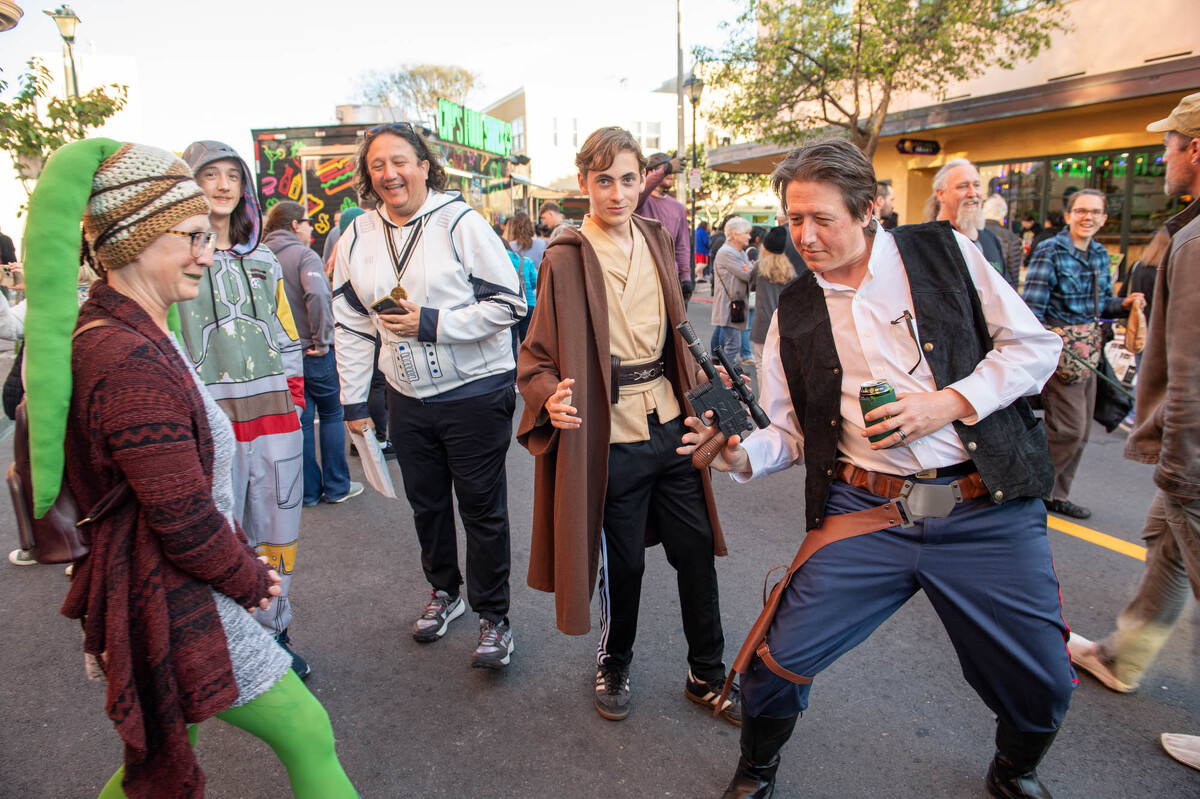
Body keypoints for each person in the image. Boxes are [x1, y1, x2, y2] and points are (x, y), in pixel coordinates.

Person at [682, 139, 1074, 799]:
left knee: (1044, 675)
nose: (804, 235)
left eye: (822, 218)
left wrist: (946, 404)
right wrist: (740, 454)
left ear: (870, 210)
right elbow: (791, 432)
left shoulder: (946, 253)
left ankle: (1013, 767)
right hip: (865, 512)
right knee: (776, 657)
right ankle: (757, 768)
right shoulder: (797, 313)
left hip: (985, 508)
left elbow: (1036, 347)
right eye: (794, 218)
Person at [20, 138, 356, 799]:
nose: (208, 251)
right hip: (172, 593)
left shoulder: (135, 325)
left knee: (162, 758)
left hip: (161, 587)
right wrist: (251, 577)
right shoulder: (127, 357)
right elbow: (180, 515)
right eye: (194, 235)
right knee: (308, 730)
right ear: (138, 238)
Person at [516, 126, 738, 725]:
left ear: (645, 181)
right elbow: (534, 357)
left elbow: (676, 333)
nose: (617, 193)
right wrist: (549, 399)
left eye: (628, 179)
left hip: (673, 422)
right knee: (625, 564)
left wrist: (705, 390)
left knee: (694, 550)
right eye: (604, 180)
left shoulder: (656, 235)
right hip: (609, 437)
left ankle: (707, 673)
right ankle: (614, 659)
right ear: (584, 182)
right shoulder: (564, 257)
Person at [333, 122, 524, 669]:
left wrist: (432, 323)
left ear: (423, 165)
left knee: (482, 510)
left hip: (474, 393)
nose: (389, 174)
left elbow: (510, 304)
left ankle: (495, 617)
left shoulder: (459, 221)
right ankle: (446, 592)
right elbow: (350, 324)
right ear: (368, 176)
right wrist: (353, 406)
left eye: (400, 161)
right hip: (405, 396)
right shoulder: (357, 235)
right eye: (377, 166)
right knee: (428, 505)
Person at [1065, 94, 1200, 768]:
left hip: (1198, 453)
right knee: (1167, 547)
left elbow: (1193, 368)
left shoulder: (1198, 240)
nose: (1162, 157)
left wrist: (1181, 461)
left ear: (1196, 149)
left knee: (1182, 535)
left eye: (1170, 145)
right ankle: (1121, 656)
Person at [177, 140, 312, 678]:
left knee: (278, 536)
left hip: (277, 420)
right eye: (211, 174)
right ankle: (229, 645)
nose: (225, 185)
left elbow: (285, 334)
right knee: (220, 536)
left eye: (234, 174)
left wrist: (297, 403)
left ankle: (276, 634)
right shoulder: (177, 258)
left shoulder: (263, 260)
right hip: (213, 423)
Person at [1022, 189, 1143, 520]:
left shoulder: (1101, 254)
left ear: (1104, 219)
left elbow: (1103, 303)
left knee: (1083, 431)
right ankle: (1028, 489)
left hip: (1091, 349)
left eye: (1095, 212)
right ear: (1069, 215)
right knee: (1068, 430)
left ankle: (1055, 495)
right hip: (1064, 354)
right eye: (1081, 211)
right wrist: (1051, 345)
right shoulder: (1051, 250)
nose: (1087, 217)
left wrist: (1124, 305)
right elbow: (1031, 309)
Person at [263, 201, 363, 508]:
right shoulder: (304, 255)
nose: (311, 228)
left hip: (278, 354)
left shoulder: (258, 255)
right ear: (295, 225)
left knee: (302, 420)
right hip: (312, 349)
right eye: (307, 222)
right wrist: (322, 339)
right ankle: (335, 486)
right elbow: (318, 295)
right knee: (332, 414)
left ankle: (307, 491)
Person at [928, 159, 1007, 280]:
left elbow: (1006, 291)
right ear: (940, 194)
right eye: (963, 186)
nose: (972, 193)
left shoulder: (990, 239)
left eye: (976, 185)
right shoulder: (926, 241)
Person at [637, 153, 693, 302]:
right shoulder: (640, 201)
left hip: (671, 280)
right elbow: (639, 190)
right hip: (644, 280)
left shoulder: (679, 208)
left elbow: (682, 246)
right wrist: (665, 169)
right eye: (665, 168)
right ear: (650, 173)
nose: (671, 174)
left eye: (671, 170)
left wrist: (686, 278)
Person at [747, 226, 796, 367]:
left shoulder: (759, 267)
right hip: (783, 324)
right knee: (779, 366)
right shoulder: (790, 272)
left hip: (762, 323)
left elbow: (751, 286)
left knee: (761, 365)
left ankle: (763, 391)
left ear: (765, 247)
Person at [711, 217, 753, 368]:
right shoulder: (728, 252)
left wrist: (749, 267)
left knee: (732, 343)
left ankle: (726, 376)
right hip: (729, 305)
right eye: (746, 233)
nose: (749, 236)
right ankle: (726, 378)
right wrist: (749, 267)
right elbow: (747, 274)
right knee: (733, 345)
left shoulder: (739, 252)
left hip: (735, 304)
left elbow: (749, 270)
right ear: (735, 234)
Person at [984, 194, 1024, 289]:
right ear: (1003, 213)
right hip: (1000, 289)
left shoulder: (973, 232)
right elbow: (1013, 273)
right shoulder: (1010, 237)